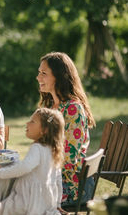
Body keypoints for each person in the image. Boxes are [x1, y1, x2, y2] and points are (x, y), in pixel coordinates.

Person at [36, 51, 96, 207]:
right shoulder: (51, 107)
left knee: (22, 194)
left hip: (72, 184)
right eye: (39, 73)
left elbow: (69, 157)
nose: (38, 78)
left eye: (44, 73)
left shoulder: (72, 109)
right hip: (56, 177)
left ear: (59, 76)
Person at [0, 108, 64, 215]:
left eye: (32, 121)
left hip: (28, 202)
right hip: (46, 203)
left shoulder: (37, 148)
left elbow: (25, 167)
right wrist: (57, 204)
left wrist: (0, 172)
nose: (27, 123)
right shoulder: (53, 150)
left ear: (44, 130)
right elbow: (57, 179)